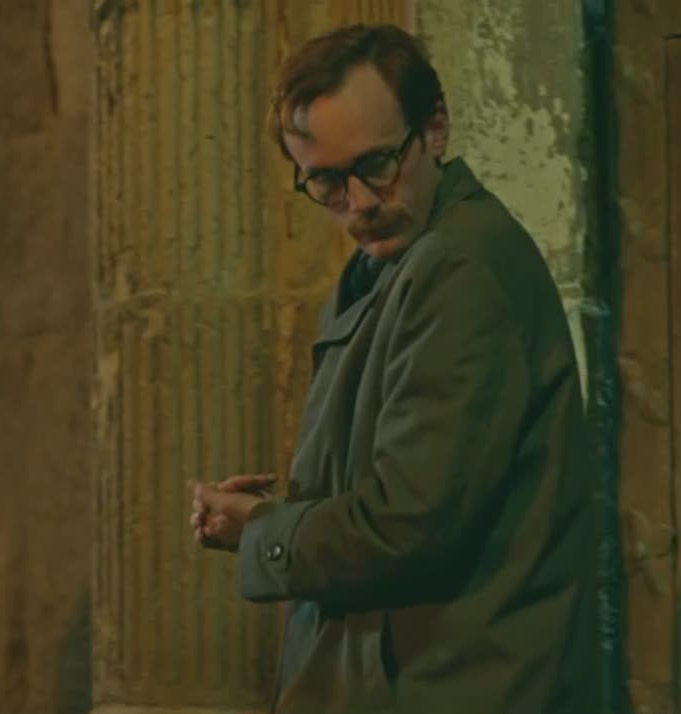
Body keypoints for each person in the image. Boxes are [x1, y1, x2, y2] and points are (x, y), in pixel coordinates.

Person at [188, 24, 601, 714]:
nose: (360, 202)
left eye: (378, 163)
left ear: (434, 129)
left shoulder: (456, 266)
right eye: (327, 181)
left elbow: (408, 527)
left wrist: (264, 532)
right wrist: (273, 517)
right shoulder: (395, 263)